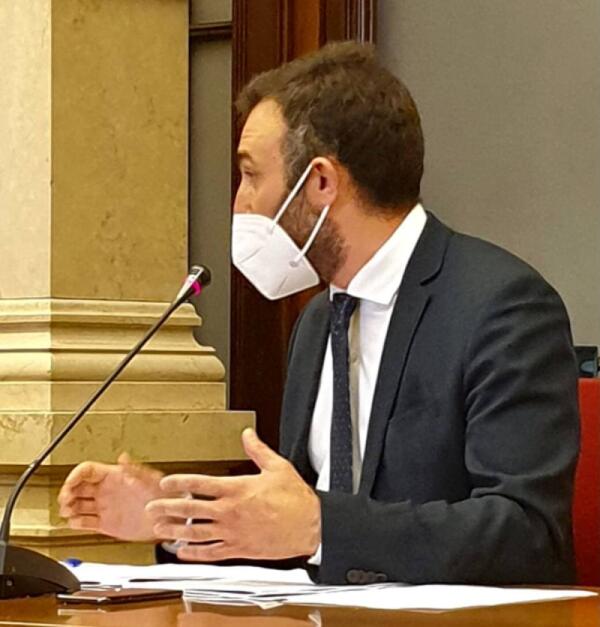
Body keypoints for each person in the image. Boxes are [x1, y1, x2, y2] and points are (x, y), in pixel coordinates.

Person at [58, 42, 579, 585]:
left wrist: (322, 524)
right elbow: (295, 541)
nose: (240, 204)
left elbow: (528, 534)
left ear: (321, 182)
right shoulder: (315, 323)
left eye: (251, 176)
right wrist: (179, 520)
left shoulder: (502, 308)